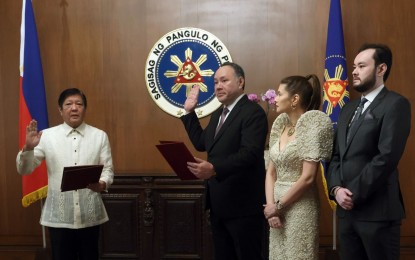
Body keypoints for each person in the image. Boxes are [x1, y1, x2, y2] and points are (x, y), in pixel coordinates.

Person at [327, 43, 411, 260]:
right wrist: (336, 189)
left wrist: (351, 193)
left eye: (361, 66)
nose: (354, 71)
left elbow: (386, 157)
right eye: (354, 66)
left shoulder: (396, 104)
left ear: (381, 69)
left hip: (378, 214)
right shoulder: (347, 108)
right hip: (347, 214)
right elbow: (336, 155)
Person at [181, 62, 268, 260]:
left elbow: (250, 153)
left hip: (243, 206)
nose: (218, 86)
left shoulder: (253, 112)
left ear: (240, 81)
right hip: (218, 204)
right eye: (215, 82)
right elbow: (202, 143)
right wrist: (189, 112)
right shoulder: (217, 114)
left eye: (224, 80)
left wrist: (214, 169)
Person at [16, 88, 114, 260]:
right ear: (60, 110)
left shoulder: (99, 136)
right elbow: (25, 169)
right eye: (68, 104)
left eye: (79, 104)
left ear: (85, 108)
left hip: (90, 216)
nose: (74, 108)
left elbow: (108, 170)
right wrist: (28, 148)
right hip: (58, 218)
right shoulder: (45, 136)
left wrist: (102, 184)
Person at [263, 75, 333, 260]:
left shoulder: (311, 127)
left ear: (294, 99)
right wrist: (271, 207)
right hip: (275, 208)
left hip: (300, 206)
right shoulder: (281, 125)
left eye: (279, 94)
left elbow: (308, 177)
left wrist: (278, 206)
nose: (275, 99)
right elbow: (270, 172)